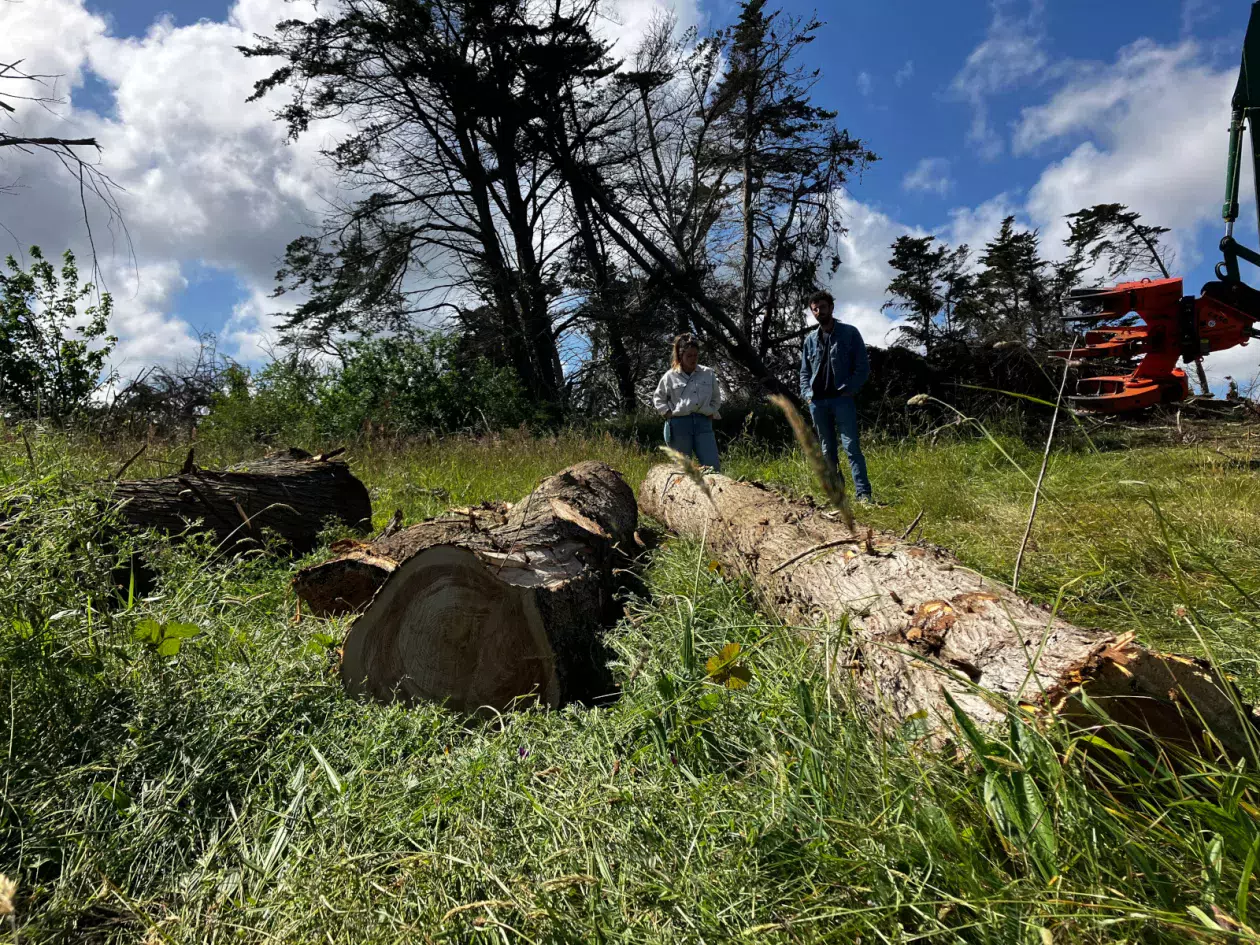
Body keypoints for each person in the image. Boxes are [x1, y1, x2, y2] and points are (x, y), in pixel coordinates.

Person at [798, 290, 874, 502]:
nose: (819, 312)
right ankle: (838, 496)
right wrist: (807, 395)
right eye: (815, 309)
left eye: (822, 307)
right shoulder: (810, 340)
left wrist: (850, 388)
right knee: (827, 449)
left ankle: (863, 494)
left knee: (851, 446)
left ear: (831, 307)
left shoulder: (849, 333)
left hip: (842, 399)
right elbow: (804, 372)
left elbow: (862, 367)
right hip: (818, 402)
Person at [654, 332, 723, 472]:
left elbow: (716, 398)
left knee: (713, 467)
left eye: (695, 355)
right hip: (679, 425)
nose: (693, 359)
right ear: (680, 356)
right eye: (689, 356)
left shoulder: (708, 373)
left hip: (703, 423)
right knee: (683, 470)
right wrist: (668, 414)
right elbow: (658, 398)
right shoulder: (670, 376)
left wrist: (711, 411)